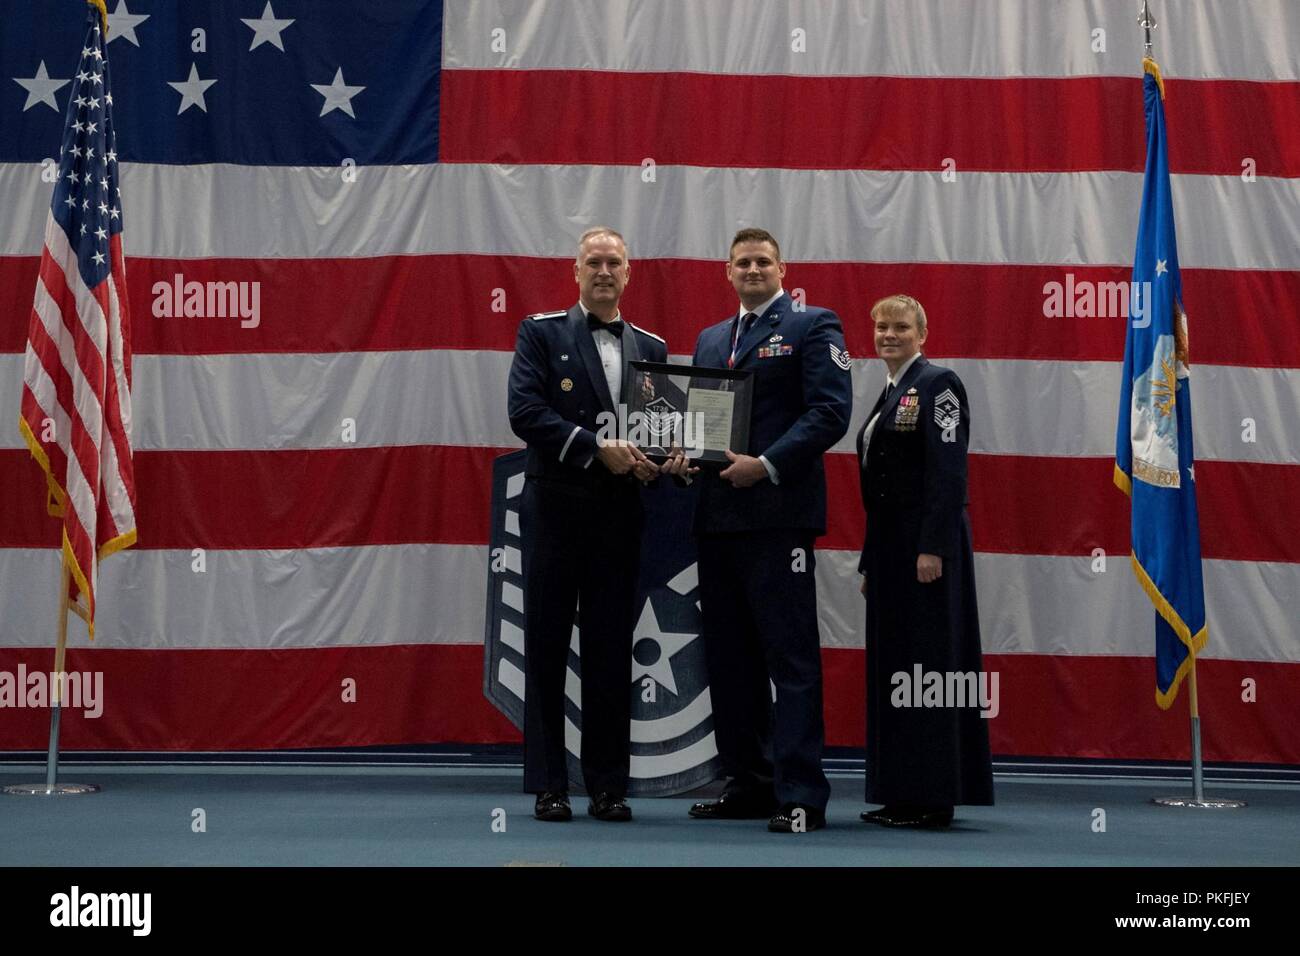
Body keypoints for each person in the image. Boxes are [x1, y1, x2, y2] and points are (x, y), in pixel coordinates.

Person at [666, 228, 852, 832]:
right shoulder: (711, 338)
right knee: (729, 661)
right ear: (727, 270)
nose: (752, 269)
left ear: (782, 269)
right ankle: (749, 781)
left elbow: (830, 412)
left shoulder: (813, 325)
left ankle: (801, 794)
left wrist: (767, 465)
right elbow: (703, 424)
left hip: (778, 518)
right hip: (717, 520)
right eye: (742, 261)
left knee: (789, 661)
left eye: (762, 261)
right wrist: (681, 455)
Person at [506, 227, 667, 822]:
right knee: (547, 646)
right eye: (593, 262)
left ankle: (607, 786)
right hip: (556, 509)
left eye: (614, 263)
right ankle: (550, 783)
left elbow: (660, 428)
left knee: (609, 652)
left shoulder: (652, 343)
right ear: (575, 272)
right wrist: (594, 446)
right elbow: (525, 412)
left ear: (630, 274)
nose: (604, 272)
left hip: (620, 517)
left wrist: (667, 459)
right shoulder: (540, 332)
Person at [856, 294, 994, 828]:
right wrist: (872, 561)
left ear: (922, 333)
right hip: (892, 550)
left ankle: (932, 796)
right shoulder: (889, 391)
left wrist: (933, 547)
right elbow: (880, 493)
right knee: (897, 668)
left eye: (900, 327)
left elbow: (948, 472)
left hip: (926, 549)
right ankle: (900, 790)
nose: (889, 335)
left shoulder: (940, 385)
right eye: (881, 326)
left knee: (927, 670)